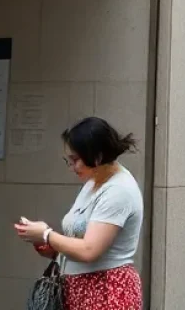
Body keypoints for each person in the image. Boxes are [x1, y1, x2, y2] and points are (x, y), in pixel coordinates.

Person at [14, 117, 144, 309]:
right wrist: (54, 250)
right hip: (80, 290)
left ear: (97, 156)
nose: (72, 167)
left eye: (75, 160)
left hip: (107, 291)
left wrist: (46, 235)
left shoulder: (118, 190)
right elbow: (80, 241)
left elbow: (89, 250)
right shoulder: (94, 181)